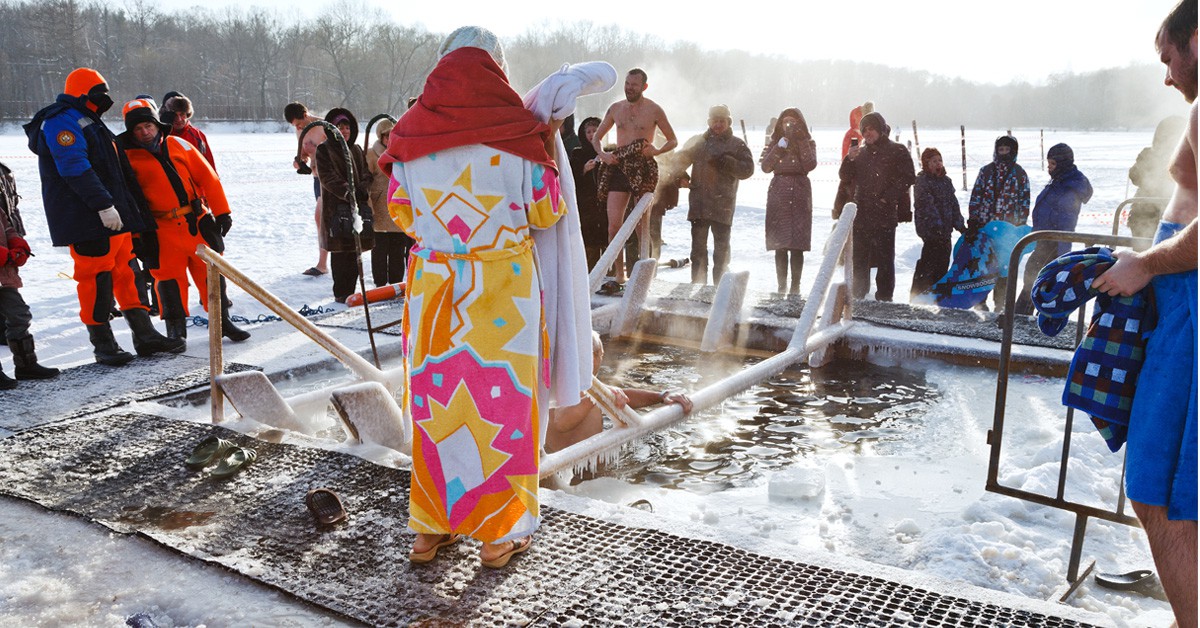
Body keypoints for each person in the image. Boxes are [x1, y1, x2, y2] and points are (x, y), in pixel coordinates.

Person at [378, 26, 567, 569]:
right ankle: (498, 536)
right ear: (497, 69)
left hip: (437, 293)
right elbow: (546, 211)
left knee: (438, 406)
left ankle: (429, 530)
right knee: (502, 407)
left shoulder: (412, 137)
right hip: (503, 294)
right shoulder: (516, 135)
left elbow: (403, 212)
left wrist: (446, 240)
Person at [1091, 3, 1197, 625]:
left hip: (1191, 309)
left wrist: (1147, 266)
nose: (1165, 76)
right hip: (1179, 299)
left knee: (1161, 493)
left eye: (1167, 56)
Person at [24, 68, 183, 365]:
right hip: (87, 218)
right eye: (100, 93)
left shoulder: (90, 120)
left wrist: (122, 210)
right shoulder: (62, 120)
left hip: (113, 218)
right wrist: (102, 205)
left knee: (128, 273)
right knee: (95, 279)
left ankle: (144, 335)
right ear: (84, 93)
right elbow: (73, 167)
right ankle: (103, 344)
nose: (105, 100)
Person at [116, 98, 250, 345]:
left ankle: (222, 322)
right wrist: (138, 237)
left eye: (148, 125)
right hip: (160, 229)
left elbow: (209, 178)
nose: (145, 132)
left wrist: (222, 212)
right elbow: (126, 199)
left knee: (211, 272)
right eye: (138, 128)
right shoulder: (124, 156)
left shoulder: (178, 144)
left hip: (195, 222)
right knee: (167, 280)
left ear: (157, 124)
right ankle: (176, 329)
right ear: (131, 131)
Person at [592, 68, 678, 285]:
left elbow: (672, 140)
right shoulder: (616, 108)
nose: (629, 88)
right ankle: (620, 273)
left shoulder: (654, 110)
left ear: (644, 87)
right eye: (627, 84)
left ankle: (644, 275)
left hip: (643, 166)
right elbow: (597, 138)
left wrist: (656, 151)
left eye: (634, 85)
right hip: (619, 165)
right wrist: (603, 154)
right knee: (614, 226)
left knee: (642, 225)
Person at [546, 332, 693, 453]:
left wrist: (661, 396)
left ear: (599, 355)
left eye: (587, 354)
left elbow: (625, 397)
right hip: (563, 477)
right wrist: (599, 397)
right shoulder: (559, 388)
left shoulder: (589, 388)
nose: (581, 360)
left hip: (584, 474)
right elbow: (561, 422)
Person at [837, 111, 915, 301]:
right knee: (860, 260)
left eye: (871, 129)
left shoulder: (897, 150)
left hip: (884, 214)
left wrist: (887, 198)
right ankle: (858, 298)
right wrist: (849, 159)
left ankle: (885, 299)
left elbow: (908, 177)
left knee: (885, 261)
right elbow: (845, 177)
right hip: (862, 214)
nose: (868, 133)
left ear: (880, 129)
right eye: (864, 130)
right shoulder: (860, 153)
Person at [676, 105, 754, 285]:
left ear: (728, 122)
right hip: (699, 205)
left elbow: (748, 170)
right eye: (715, 121)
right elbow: (678, 161)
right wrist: (681, 176)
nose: (718, 125)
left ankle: (720, 290)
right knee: (698, 252)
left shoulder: (736, 144)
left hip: (722, 205)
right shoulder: (698, 142)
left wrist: (728, 163)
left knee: (722, 254)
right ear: (709, 122)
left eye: (722, 121)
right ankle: (698, 288)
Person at [1012, 143, 1092, 316]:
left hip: (1053, 243)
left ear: (1063, 164)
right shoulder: (1060, 181)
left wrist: (1060, 249)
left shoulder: (1069, 188)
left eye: (1052, 164)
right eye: (1048, 164)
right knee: (1034, 279)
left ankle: (1021, 318)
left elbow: (1066, 221)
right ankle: (1022, 317)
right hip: (1044, 240)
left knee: (1036, 281)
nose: (1049, 168)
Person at [0, 160, 59, 387]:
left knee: (19, 315)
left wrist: (19, 244)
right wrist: (6, 254)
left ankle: (26, 365)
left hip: (4, 274)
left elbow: (7, 225)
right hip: (4, 264)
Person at [314, 108, 374, 303]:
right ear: (333, 129)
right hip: (336, 210)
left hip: (356, 209)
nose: (344, 131)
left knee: (354, 251)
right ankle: (341, 294)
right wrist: (348, 192)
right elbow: (327, 177)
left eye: (347, 127)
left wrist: (363, 189)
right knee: (341, 252)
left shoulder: (355, 149)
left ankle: (352, 291)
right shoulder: (324, 150)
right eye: (340, 127)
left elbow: (366, 173)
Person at [967, 134, 1030, 311]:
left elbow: (1024, 202)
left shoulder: (1020, 174)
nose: (1003, 153)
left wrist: (1019, 226)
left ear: (1013, 151)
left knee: (1003, 268)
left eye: (1007, 150)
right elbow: (976, 196)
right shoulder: (986, 171)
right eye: (1000, 149)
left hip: (1007, 230)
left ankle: (1000, 304)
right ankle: (979, 301)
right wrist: (973, 220)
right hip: (985, 227)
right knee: (984, 266)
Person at [760, 107, 816, 296]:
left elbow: (810, 164)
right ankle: (781, 286)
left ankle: (795, 287)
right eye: (786, 121)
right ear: (780, 124)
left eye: (793, 121)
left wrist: (800, 141)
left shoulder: (808, 142)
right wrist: (778, 147)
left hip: (800, 191)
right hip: (779, 192)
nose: (789, 125)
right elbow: (766, 167)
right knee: (780, 243)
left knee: (797, 244)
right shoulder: (775, 142)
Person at [365, 117, 413, 287]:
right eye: (386, 136)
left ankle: (396, 282)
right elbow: (366, 180)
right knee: (379, 249)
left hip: (397, 205)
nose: (389, 139)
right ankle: (380, 283)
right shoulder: (371, 154)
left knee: (397, 249)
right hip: (379, 206)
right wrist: (368, 204)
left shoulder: (400, 152)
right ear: (381, 137)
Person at [910, 148, 965, 297]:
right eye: (934, 161)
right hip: (931, 231)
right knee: (928, 264)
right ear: (926, 163)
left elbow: (953, 204)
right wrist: (936, 226)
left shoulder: (946, 181)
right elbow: (927, 206)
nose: (938, 164)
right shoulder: (922, 181)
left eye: (940, 160)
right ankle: (918, 295)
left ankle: (937, 296)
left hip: (945, 232)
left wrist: (960, 225)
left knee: (942, 264)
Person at [284, 102, 329, 277]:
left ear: (305, 114)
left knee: (321, 216)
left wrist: (316, 150)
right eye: (295, 126)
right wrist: (300, 161)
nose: (299, 128)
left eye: (299, 123)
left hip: (330, 177)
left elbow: (337, 151)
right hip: (317, 177)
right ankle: (323, 262)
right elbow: (304, 153)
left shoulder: (323, 125)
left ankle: (323, 264)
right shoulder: (300, 130)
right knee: (321, 219)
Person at [1128, 115, 1186, 241]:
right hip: (1146, 213)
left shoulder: (1150, 154)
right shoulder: (1150, 154)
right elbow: (1135, 177)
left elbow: (1134, 176)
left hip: (1156, 213)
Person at [568, 116, 607, 270]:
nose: (592, 135)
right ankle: (588, 270)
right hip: (586, 203)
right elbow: (571, 177)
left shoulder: (609, 151)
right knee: (588, 238)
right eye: (588, 131)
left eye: (595, 131)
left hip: (604, 202)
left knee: (607, 234)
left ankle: (608, 269)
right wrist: (584, 169)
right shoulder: (578, 153)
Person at [160, 93, 215, 171]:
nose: (179, 119)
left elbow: (209, 166)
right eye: (174, 115)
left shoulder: (197, 136)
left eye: (182, 114)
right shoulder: (159, 136)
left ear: (187, 114)